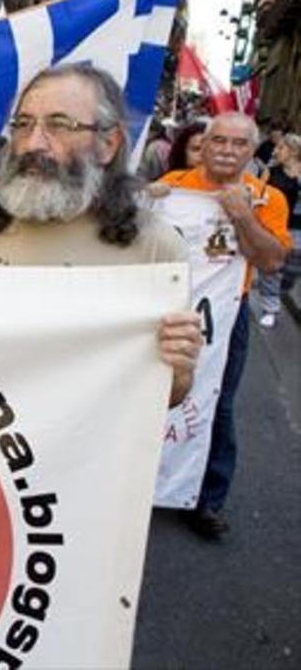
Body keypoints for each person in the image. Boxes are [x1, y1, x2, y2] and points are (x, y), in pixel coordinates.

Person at [0, 64, 202, 410]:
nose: (33, 143)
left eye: (59, 125)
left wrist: (179, 372)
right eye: (23, 124)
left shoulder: (156, 249)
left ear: (107, 144)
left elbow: (164, 399)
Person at [160, 114, 292, 538]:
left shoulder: (266, 199)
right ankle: (149, 480)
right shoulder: (174, 184)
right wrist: (143, 199)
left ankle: (208, 500)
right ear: (205, 142)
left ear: (252, 152)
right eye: (219, 140)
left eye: (239, 144)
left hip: (225, 314)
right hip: (167, 308)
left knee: (218, 402)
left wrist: (241, 217)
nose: (226, 150)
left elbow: (271, 260)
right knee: (155, 394)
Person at [255, 132, 301, 328]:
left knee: (291, 271)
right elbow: (258, 193)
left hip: (298, 231)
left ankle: (280, 292)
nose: (276, 151)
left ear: (293, 152)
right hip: (274, 227)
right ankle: (270, 306)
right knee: (271, 268)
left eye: (281, 148)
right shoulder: (270, 172)